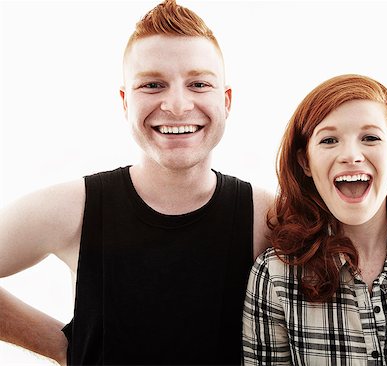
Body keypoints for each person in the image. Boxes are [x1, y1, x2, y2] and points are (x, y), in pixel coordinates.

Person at [0, 1, 272, 365]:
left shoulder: (267, 215)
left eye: (199, 83)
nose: (176, 105)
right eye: (153, 84)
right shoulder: (74, 208)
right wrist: (59, 344)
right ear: (125, 102)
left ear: (226, 101)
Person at [242, 74, 387, 364]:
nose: (351, 155)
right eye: (329, 140)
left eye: (370, 138)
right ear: (305, 162)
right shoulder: (276, 275)